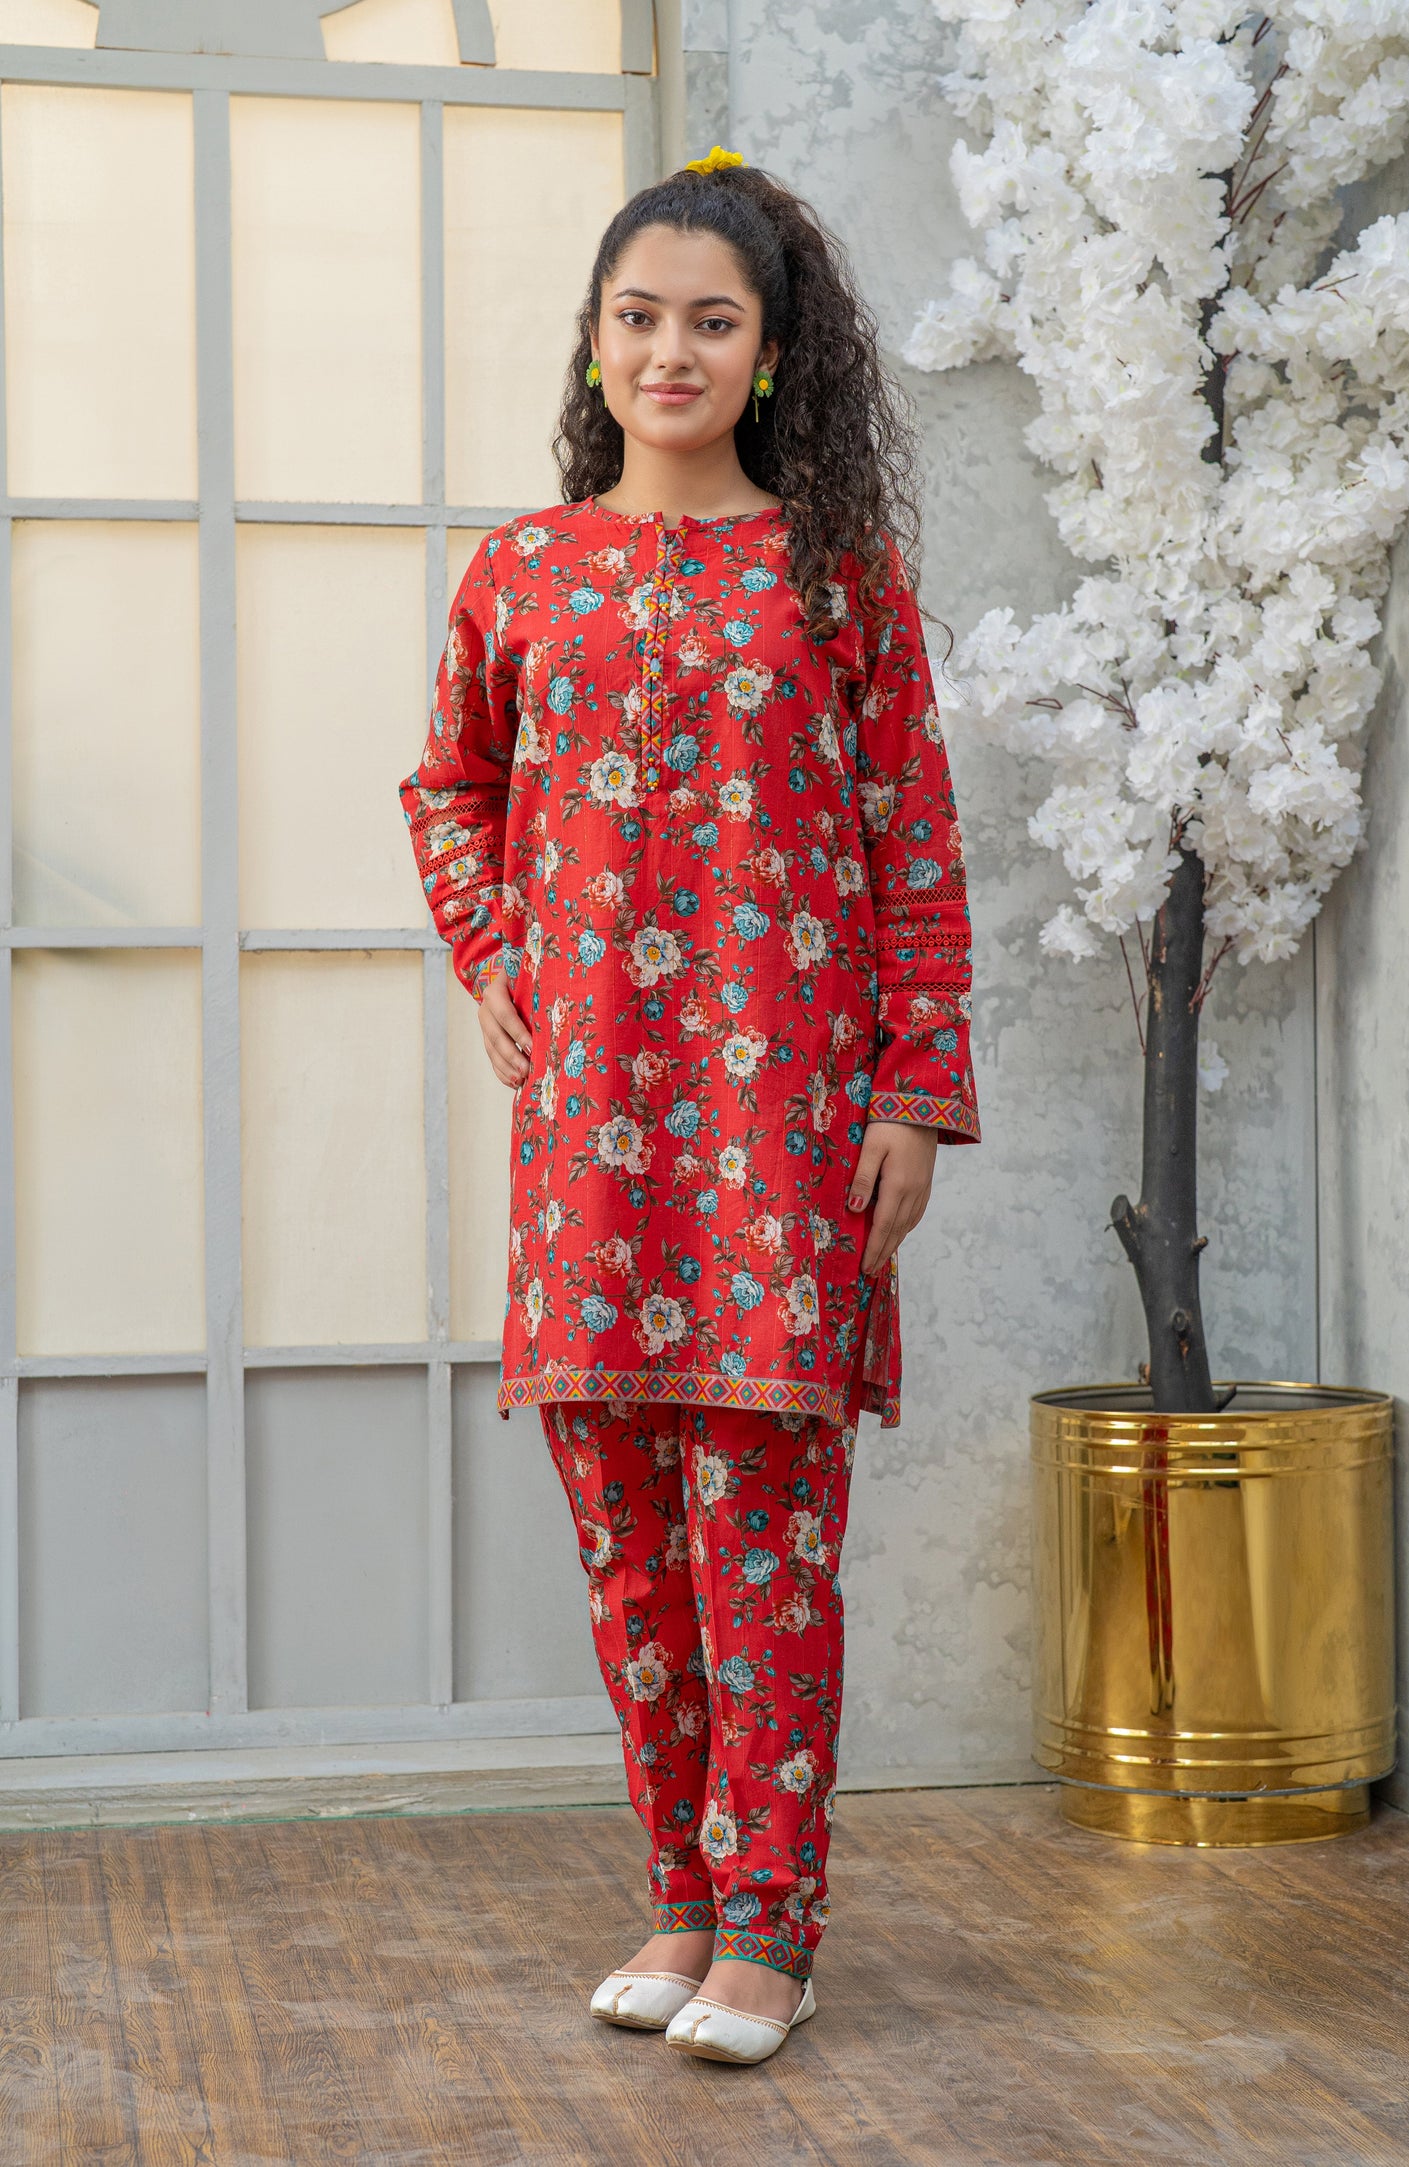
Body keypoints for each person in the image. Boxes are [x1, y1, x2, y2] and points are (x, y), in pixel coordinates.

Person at [400, 144, 979, 2067]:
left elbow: (914, 852)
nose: (670, 351)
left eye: (709, 323)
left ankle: (770, 1932)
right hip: (588, 1151)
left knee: (761, 1545)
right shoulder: (523, 571)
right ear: (593, 342)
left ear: (769, 349)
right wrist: (492, 951)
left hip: (789, 1140)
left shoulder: (839, 575)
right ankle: (673, 1897)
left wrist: (912, 1090)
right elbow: (447, 788)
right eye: (637, 318)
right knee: (630, 1550)